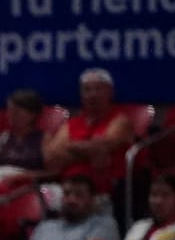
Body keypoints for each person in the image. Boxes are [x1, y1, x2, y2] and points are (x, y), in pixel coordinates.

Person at [43, 68, 135, 200]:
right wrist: (89, 152)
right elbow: (51, 159)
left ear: (110, 92)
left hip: (105, 193)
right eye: (87, 90)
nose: (93, 95)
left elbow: (102, 146)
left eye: (98, 89)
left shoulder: (120, 121)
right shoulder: (72, 123)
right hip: (67, 190)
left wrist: (70, 148)